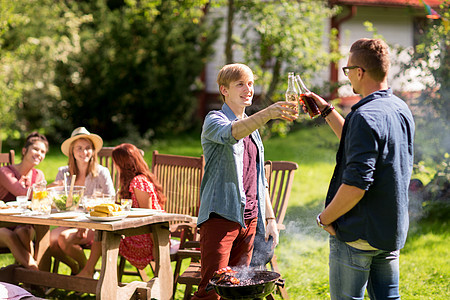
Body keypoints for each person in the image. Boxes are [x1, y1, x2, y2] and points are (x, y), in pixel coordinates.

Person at [310, 38, 415, 299]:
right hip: (389, 231)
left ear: (359, 72)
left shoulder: (364, 116)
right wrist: (327, 111)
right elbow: (361, 141)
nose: (347, 76)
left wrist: (326, 218)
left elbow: (357, 185)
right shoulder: (400, 109)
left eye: (347, 70)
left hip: (358, 235)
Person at [192, 63, 298, 300]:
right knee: (212, 290)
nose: (248, 89)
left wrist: (269, 218)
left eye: (250, 83)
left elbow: (260, 179)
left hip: (250, 221)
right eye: (240, 84)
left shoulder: (254, 129)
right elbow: (232, 133)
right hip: (221, 218)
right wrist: (268, 113)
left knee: (240, 290)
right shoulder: (214, 120)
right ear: (224, 90)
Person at [76, 143, 165, 278]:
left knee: (103, 236)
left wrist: (155, 247)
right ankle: (93, 274)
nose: (115, 166)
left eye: (116, 163)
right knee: (102, 234)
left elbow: (149, 217)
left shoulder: (139, 182)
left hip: (150, 239)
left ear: (123, 164)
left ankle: (93, 274)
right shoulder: (135, 181)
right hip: (140, 235)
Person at [41, 127, 115, 274]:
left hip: (94, 225)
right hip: (68, 222)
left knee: (63, 239)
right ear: (72, 152)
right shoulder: (64, 173)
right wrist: (51, 189)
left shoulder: (102, 172)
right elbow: (55, 202)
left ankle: (86, 271)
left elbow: (111, 201)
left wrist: (87, 222)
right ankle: (79, 268)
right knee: (47, 241)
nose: (84, 152)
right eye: (79, 148)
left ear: (93, 151)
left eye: (88, 148)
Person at [0, 132, 49, 270]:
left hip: (25, 225)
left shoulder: (38, 175)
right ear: (24, 151)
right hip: (2, 225)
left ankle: (30, 280)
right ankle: (36, 276)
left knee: (23, 231)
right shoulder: (5, 171)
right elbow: (21, 192)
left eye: (43, 151)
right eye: (36, 149)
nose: (39, 153)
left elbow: (40, 201)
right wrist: (49, 187)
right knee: (8, 234)